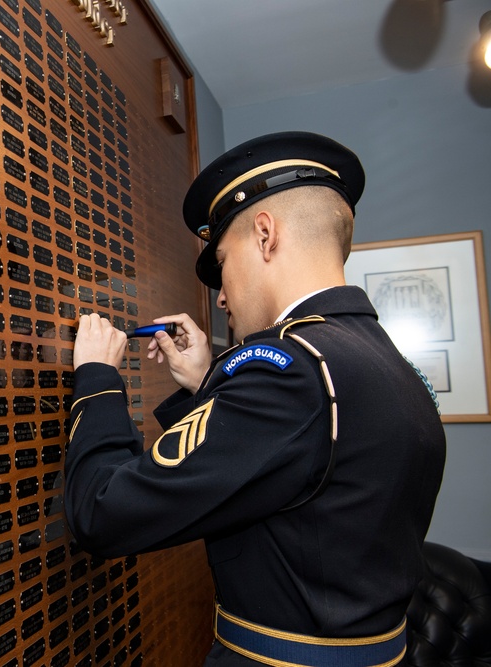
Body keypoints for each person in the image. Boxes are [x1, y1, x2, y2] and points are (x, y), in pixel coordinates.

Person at [64, 131, 446, 666]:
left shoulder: (292, 371)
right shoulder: (386, 364)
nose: (220, 294)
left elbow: (102, 512)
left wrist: (99, 381)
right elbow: (306, 469)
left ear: (265, 235)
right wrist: (207, 383)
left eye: (221, 262)